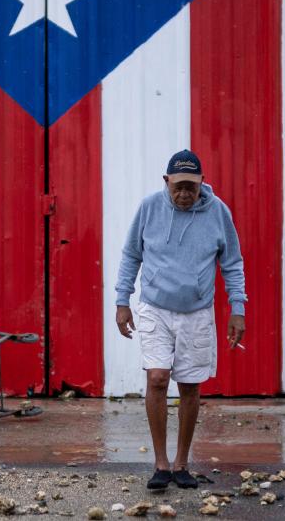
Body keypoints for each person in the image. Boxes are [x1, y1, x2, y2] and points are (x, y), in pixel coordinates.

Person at [115, 149, 247, 490]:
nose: (185, 194)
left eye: (191, 186)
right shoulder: (149, 208)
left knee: (190, 386)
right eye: (178, 187)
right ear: (166, 182)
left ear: (202, 183)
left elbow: (232, 263)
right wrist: (122, 301)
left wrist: (238, 309)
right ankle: (160, 464)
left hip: (197, 313)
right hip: (155, 308)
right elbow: (131, 254)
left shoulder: (218, 213)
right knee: (157, 378)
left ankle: (181, 463)